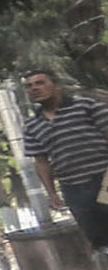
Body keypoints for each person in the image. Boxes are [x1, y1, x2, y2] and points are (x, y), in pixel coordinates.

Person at [20, 68, 108, 254]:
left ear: (57, 86)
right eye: (29, 86)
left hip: (103, 177)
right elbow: (41, 161)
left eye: (40, 83)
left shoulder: (86, 106)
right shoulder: (31, 125)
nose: (34, 88)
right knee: (96, 236)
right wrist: (51, 193)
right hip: (73, 188)